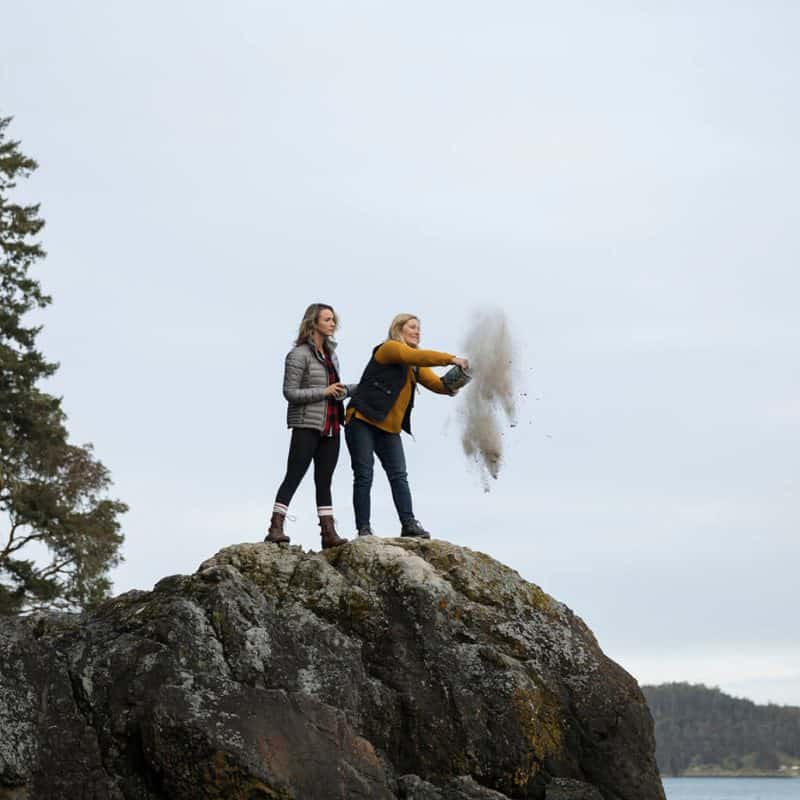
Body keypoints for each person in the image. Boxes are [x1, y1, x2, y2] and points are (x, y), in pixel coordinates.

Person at [345, 313, 469, 539]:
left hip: (389, 428)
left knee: (399, 475)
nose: (417, 331)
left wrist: (459, 379)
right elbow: (418, 356)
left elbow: (438, 385)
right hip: (362, 419)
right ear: (398, 329)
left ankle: (408, 523)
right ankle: (364, 529)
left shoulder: (414, 365)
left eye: (419, 328)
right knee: (364, 474)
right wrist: (452, 359)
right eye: (412, 327)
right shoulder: (390, 348)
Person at [265, 303, 356, 549]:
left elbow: (331, 390)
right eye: (327, 319)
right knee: (294, 475)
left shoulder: (331, 355)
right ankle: (275, 527)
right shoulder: (298, 355)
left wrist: (348, 390)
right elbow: (290, 393)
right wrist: (324, 391)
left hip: (332, 425)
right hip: (306, 424)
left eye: (333, 319)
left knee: (324, 479)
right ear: (313, 323)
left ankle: (328, 533)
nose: (332, 323)